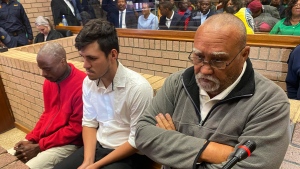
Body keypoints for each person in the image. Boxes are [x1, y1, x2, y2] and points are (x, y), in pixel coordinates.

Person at [135, 13, 290, 169]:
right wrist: (213, 151)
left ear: (244, 54)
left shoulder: (270, 101)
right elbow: (142, 134)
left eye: (218, 60)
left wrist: (170, 141)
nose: (205, 69)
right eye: (199, 56)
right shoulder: (177, 83)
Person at [53, 19, 153, 169]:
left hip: (130, 154)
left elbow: (136, 142)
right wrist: (88, 161)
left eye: (92, 58)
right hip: (99, 146)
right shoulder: (89, 82)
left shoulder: (138, 88)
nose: (85, 65)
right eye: (83, 57)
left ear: (113, 55)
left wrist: (95, 166)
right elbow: (89, 123)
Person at [13, 42, 86, 169]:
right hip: (48, 139)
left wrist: (40, 146)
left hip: (71, 143)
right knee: (10, 157)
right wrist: (31, 138)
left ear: (62, 62)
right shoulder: (50, 81)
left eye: (47, 68)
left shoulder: (82, 86)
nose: (43, 74)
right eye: (41, 68)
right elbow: (47, 114)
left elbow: (75, 130)